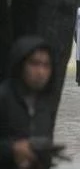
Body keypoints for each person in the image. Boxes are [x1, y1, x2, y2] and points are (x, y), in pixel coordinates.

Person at [0, 36, 58, 169]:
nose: (40, 72)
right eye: (34, 63)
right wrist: (12, 149)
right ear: (21, 64)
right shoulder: (3, 98)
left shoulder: (45, 103)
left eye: (46, 65)